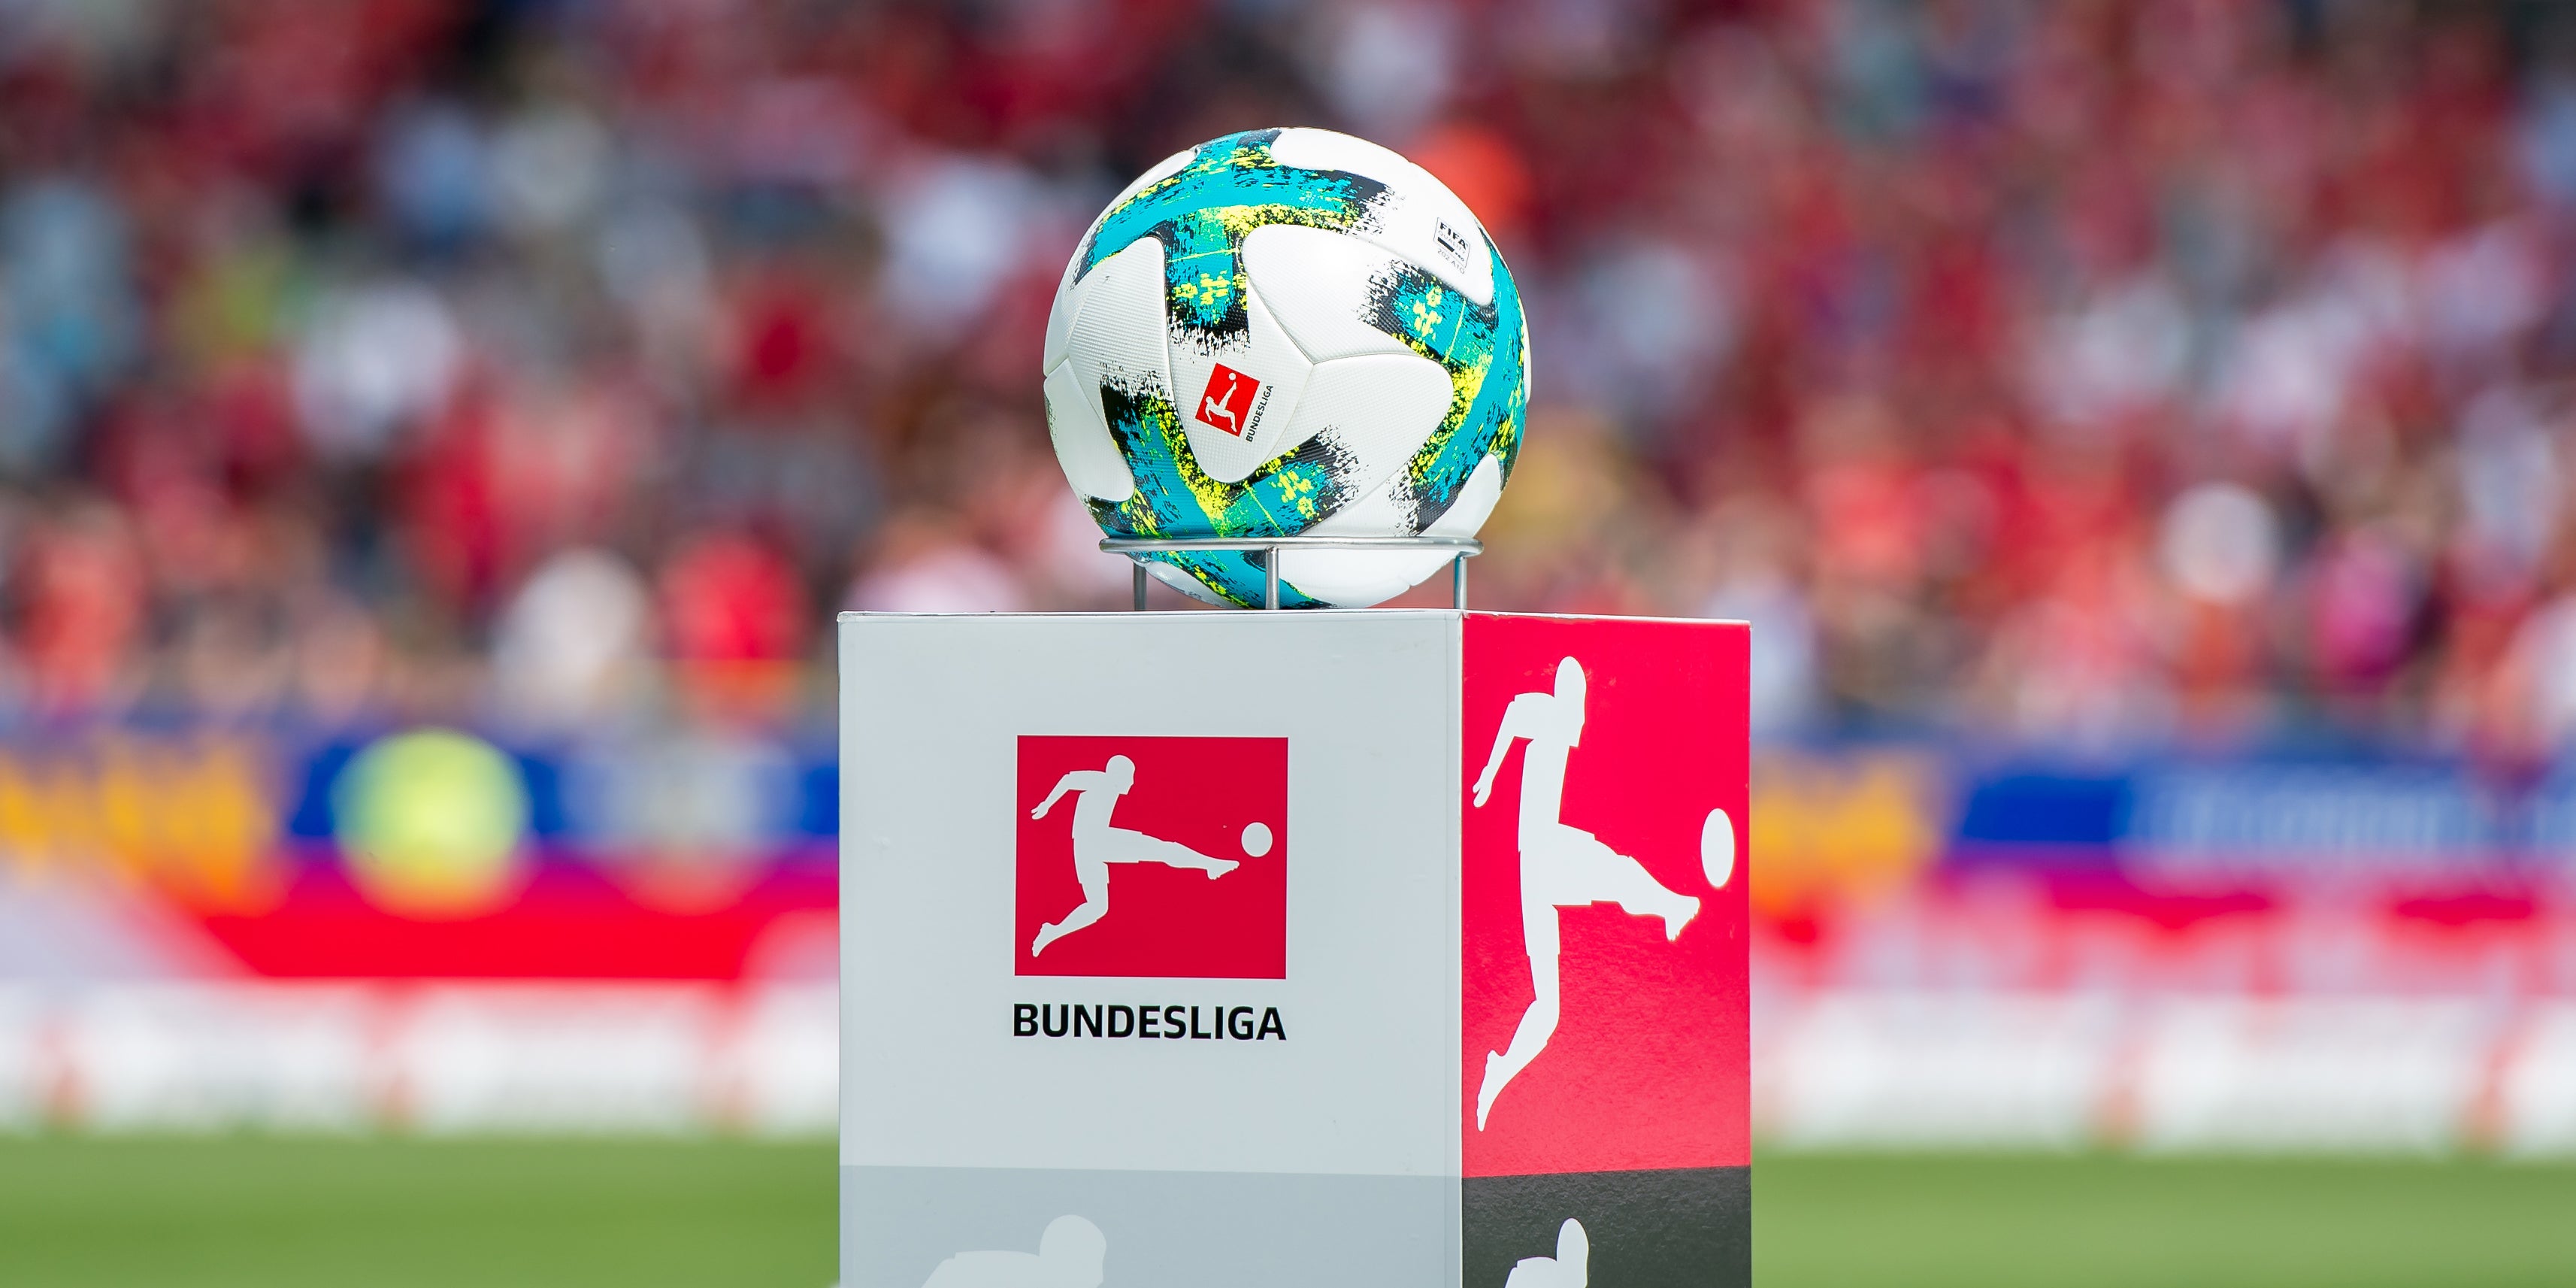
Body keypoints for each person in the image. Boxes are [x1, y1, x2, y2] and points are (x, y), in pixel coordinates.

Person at [1472, 657, 1699, 1129]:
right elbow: (1512, 715)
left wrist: (1493, 773)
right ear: (1570, 697)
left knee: (1548, 1009)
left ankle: (1499, 1070)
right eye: (1579, 702)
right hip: (1545, 848)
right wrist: (1490, 772)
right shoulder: (1552, 715)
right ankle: (1671, 906)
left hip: (1534, 867)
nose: (1581, 718)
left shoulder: (1558, 726)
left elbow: (1514, 719)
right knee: (1617, 870)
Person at [1029, 754, 1238, 956]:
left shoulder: (1107, 787)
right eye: (1130, 776)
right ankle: (1210, 865)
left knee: (1098, 907)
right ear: (1119, 775)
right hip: (1099, 840)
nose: (1132, 782)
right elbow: (1068, 780)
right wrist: (1047, 804)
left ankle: (1052, 932)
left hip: (1086, 849)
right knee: (1163, 850)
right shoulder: (1100, 780)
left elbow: (1069, 781)